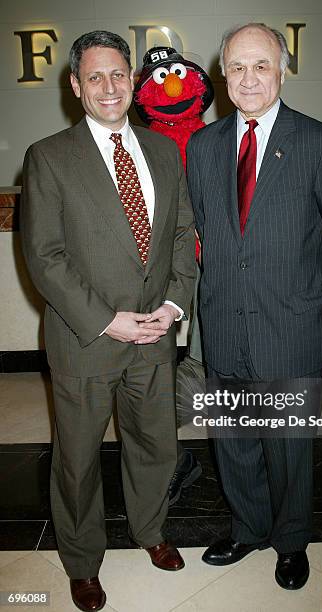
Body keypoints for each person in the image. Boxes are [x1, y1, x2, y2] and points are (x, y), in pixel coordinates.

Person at [20, 31, 195, 612]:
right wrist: (107, 321)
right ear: (75, 86)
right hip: (86, 340)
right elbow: (44, 256)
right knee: (77, 459)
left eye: (119, 74)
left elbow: (180, 236)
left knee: (155, 445)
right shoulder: (47, 156)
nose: (109, 87)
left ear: (134, 81)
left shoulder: (165, 150)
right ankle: (81, 560)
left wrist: (173, 306)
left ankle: (150, 531)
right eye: (95, 76)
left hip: (154, 336)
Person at [187, 23, 322, 591]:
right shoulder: (206, 146)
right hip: (224, 319)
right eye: (236, 67)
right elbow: (209, 233)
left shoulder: (319, 141)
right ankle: (247, 527)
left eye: (260, 65)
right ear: (223, 75)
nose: (248, 78)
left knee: (287, 444)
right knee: (234, 438)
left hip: (292, 324)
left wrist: (314, 297)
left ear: (282, 70)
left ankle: (290, 541)